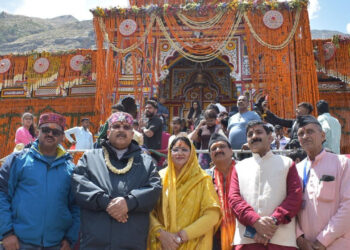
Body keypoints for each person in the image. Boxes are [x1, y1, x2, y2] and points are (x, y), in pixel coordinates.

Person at [72, 112, 162, 250]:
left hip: (132, 242)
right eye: (116, 126)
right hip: (94, 242)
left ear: (132, 134)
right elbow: (79, 184)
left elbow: (154, 189)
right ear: (108, 132)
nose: (121, 130)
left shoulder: (146, 162)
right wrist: (106, 202)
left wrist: (129, 202)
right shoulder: (90, 158)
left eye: (126, 127)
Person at [0, 112, 80, 250]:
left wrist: (69, 239)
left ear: (62, 137)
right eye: (46, 130)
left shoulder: (71, 170)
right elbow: (2, 195)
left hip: (56, 244)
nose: (50, 134)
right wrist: (6, 233)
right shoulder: (17, 160)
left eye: (55, 132)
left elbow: (76, 206)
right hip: (18, 243)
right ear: (38, 132)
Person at [229, 120, 302, 249]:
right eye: (250, 134)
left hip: (281, 240)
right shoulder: (239, 167)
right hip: (248, 241)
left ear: (270, 138)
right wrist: (255, 222)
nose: (254, 136)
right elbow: (234, 200)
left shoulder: (287, 163)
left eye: (258, 132)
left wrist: (273, 221)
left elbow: (295, 197)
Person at [148, 136, 221, 250]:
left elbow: (212, 215)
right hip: (162, 244)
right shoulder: (160, 177)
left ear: (191, 153)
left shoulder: (202, 179)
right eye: (176, 149)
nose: (179, 153)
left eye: (185, 150)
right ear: (169, 153)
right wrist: (161, 234)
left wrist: (181, 237)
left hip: (194, 243)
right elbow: (148, 210)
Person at [295, 115, 350, 250]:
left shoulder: (343, 163)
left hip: (336, 244)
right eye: (301, 133)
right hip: (306, 246)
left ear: (323, 135)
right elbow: (291, 208)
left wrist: (322, 241)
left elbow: (348, 206)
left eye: (310, 131)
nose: (305, 136)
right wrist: (299, 238)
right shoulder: (296, 169)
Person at [207, 133, 236, 250]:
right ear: (210, 155)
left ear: (231, 151)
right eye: (214, 148)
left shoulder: (244, 171)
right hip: (215, 233)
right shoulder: (205, 177)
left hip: (243, 231)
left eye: (222, 146)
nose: (218, 150)